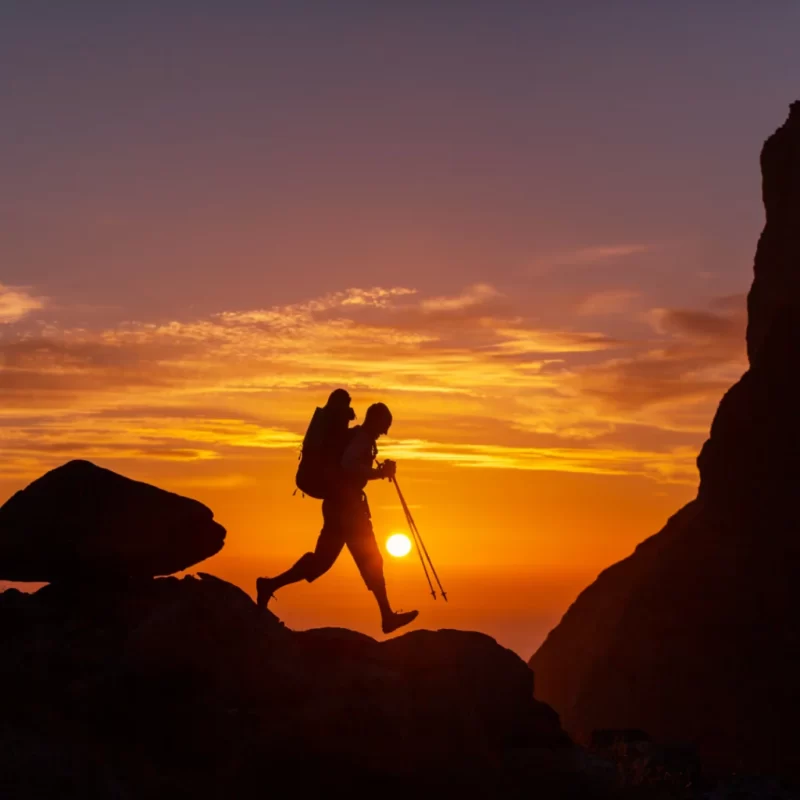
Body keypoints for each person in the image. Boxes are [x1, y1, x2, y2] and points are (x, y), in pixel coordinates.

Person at [257, 402, 418, 635]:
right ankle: (387, 617)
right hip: (347, 510)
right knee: (371, 559)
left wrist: (377, 471)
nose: (384, 432)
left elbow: (348, 465)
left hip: (339, 507)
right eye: (384, 427)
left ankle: (269, 584)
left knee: (322, 562)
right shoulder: (361, 440)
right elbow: (348, 465)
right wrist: (378, 473)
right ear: (375, 421)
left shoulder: (359, 438)